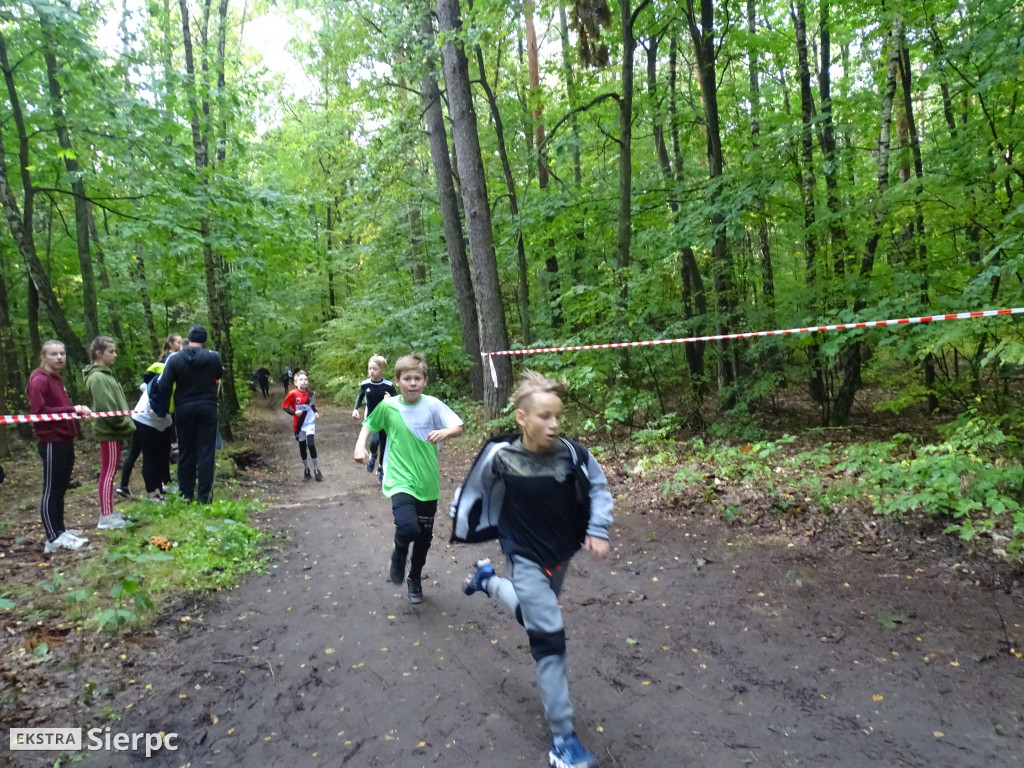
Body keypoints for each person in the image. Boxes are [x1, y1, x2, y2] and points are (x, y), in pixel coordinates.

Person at [453, 370, 613, 768]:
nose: (554, 425)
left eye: (557, 416)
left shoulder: (572, 453)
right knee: (548, 638)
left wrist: (597, 527)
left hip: (561, 552)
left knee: (531, 614)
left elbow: (597, 486)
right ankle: (564, 741)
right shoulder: (501, 456)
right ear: (522, 418)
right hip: (521, 553)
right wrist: (464, 517)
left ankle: (487, 582)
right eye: (544, 416)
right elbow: (474, 488)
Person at [353, 353, 463, 604]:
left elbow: (458, 427)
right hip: (399, 478)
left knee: (424, 539)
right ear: (397, 381)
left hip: (427, 482)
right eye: (407, 378)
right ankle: (399, 550)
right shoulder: (389, 407)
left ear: (425, 381)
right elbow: (368, 424)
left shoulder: (433, 405)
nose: (412, 383)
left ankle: (414, 578)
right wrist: (360, 447)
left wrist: (445, 432)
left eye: (417, 378)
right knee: (408, 527)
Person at [28, 340, 93, 552]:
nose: (59, 357)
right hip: (50, 441)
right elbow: (39, 413)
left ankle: (61, 530)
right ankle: (52, 537)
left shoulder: (56, 379)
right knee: (51, 490)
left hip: (65, 439)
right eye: (54, 354)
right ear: (43, 356)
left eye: (62, 353)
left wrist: (72, 417)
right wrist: (73, 409)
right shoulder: (39, 380)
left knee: (61, 488)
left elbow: (59, 408)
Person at [158, 324, 224, 504]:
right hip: (208, 408)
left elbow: (163, 385)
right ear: (205, 340)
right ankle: (204, 496)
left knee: (186, 451)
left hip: (184, 409)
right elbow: (219, 375)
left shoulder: (174, 359)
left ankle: (186, 494)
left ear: (188, 338)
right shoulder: (213, 357)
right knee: (206, 452)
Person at [83, 336, 136, 530]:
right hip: (109, 431)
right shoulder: (97, 377)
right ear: (99, 353)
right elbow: (107, 408)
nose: (115, 355)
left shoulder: (105, 374)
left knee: (111, 471)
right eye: (110, 352)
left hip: (114, 430)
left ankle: (110, 510)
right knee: (108, 472)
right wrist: (124, 424)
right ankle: (106, 516)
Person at [128, 361, 175, 502]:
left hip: (164, 421)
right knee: (150, 456)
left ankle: (160, 488)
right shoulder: (163, 379)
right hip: (145, 419)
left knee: (163, 455)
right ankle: (152, 493)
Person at [351, 354, 397, 483]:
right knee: (374, 441)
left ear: (382, 370)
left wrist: (390, 400)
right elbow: (360, 396)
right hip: (371, 418)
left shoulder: (388, 385)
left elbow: (397, 401)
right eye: (369, 368)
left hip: (386, 420)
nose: (371, 371)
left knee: (383, 445)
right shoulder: (365, 384)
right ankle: (373, 456)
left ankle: (381, 468)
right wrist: (355, 409)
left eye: (375, 369)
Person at [282, 370, 321, 481]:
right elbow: (285, 407)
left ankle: (316, 468)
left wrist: (315, 412)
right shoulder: (292, 394)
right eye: (301, 379)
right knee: (302, 447)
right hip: (299, 425)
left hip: (310, 423)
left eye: (305, 379)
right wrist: (294, 413)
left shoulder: (311, 393)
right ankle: (306, 468)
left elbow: (312, 405)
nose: (304, 381)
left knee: (311, 444)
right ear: (295, 382)